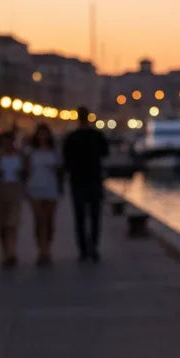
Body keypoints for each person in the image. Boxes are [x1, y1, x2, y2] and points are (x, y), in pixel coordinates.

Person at [62, 107, 108, 261]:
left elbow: (66, 160)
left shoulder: (71, 137)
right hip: (94, 180)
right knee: (95, 216)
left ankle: (82, 250)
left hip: (77, 181)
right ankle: (93, 247)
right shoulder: (96, 135)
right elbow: (105, 152)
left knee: (80, 217)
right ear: (89, 117)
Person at [0, 130, 29, 267]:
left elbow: (26, 172)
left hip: (15, 190)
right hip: (0, 190)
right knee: (2, 224)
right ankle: (4, 251)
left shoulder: (20, 156)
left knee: (12, 223)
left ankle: (11, 252)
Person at [26, 122, 64, 265]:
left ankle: (47, 246)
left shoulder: (54, 152)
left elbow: (60, 169)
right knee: (38, 220)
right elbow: (28, 170)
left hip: (50, 188)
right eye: (40, 134)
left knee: (49, 221)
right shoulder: (31, 152)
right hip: (35, 188)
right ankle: (41, 250)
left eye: (45, 134)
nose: (43, 136)